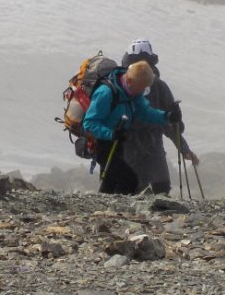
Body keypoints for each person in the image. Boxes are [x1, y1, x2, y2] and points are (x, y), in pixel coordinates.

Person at [82, 60, 182, 195]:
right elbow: (89, 123)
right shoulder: (106, 93)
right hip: (102, 144)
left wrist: (167, 116)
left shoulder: (132, 92)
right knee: (130, 181)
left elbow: (145, 112)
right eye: (141, 87)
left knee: (111, 182)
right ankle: (116, 207)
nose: (143, 91)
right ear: (129, 81)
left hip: (118, 142)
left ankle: (103, 206)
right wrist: (111, 134)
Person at [121, 39, 199, 195]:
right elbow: (171, 123)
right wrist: (184, 149)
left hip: (128, 147)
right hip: (151, 146)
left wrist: (184, 149)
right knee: (160, 188)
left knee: (134, 189)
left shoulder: (121, 86)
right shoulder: (159, 86)